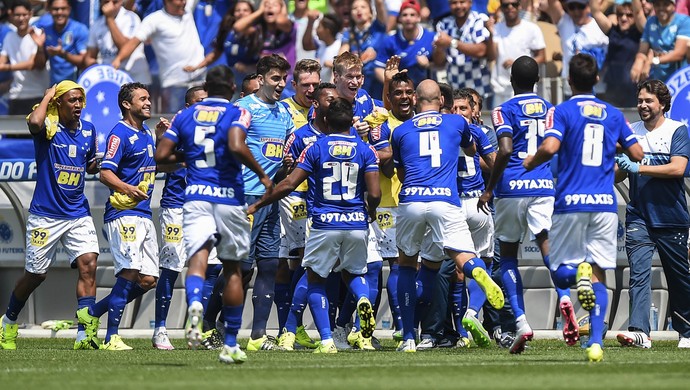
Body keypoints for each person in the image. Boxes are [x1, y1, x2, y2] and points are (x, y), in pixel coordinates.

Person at [523, 53, 644, 362]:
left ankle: (579, 273)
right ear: (597, 79)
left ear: (570, 81)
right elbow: (638, 152)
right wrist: (612, 141)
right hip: (605, 203)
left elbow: (550, 147)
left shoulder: (561, 111)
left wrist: (530, 161)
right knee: (602, 273)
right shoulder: (614, 114)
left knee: (563, 274)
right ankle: (595, 344)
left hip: (570, 203)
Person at [155, 65, 273, 364]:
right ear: (232, 89)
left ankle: (194, 302)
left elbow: (161, 157)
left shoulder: (185, 115)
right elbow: (235, 144)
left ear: (207, 88)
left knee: (198, 260)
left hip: (196, 197)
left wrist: (189, 156)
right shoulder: (238, 112)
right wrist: (261, 174)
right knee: (234, 269)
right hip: (230, 198)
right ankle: (231, 342)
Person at [248, 97, 381, 354]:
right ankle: (363, 299)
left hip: (324, 222)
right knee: (355, 274)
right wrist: (370, 212)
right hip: (356, 222)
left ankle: (326, 341)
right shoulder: (366, 150)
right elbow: (374, 194)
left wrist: (259, 203)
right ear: (351, 120)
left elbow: (289, 184)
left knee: (315, 280)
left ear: (327, 120)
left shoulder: (316, 148)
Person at [391, 79, 504, 353]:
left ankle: (408, 336)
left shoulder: (401, 130)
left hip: (412, 201)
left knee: (407, 264)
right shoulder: (457, 123)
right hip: (447, 199)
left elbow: (401, 172)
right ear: (441, 101)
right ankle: (479, 275)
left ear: (416, 101)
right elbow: (471, 151)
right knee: (464, 256)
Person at [0, 81, 99, 351]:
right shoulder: (48, 128)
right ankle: (8, 321)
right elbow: (33, 122)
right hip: (46, 215)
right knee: (36, 275)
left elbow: (88, 165)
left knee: (89, 264)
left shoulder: (89, 130)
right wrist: (46, 97)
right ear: (59, 103)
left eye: (81, 100)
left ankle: (85, 333)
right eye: (72, 100)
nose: (78, 105)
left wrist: (95, 164)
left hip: (78, 212)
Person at [478, 56, 561, 354]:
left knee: (509, 256)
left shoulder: (503, 109)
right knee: (547, 245)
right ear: (537, 81)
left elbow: (506, 148)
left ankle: (522, 322)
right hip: (542, 185)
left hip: (512, 186)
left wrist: (489, 189)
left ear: (512, 81)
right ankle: (565, 297)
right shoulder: (551, 109)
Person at [78, 82, 159, 351]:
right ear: (127, 104)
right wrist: (127, 188)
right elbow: (104, 173)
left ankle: (91, 314)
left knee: (148, 280)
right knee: (129, 271)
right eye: (143, 99)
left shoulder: (146, 132)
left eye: (149, 98)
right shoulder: (119, 134)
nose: (148, 103)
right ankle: (112, 337)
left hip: (144, 213)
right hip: (124, 213)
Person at [614, 79, 690, 349]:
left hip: (672, 216)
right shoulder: (631, 132)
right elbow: (620, 172)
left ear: (662, 104)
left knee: (679, 278)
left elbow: (677, 168)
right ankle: (640, 332)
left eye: (648, 101)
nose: (642, 105)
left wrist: (639, 168)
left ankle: (687, 332)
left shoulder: (677, 130)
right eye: (640, 100)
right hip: (639, 216)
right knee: (639, 273)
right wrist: (618, 168)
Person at [235, 54, 294, 351]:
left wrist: (285, 164)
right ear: (260, 79)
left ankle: (258, 335)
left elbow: (281, 159)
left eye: (284, 78)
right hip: (246, 196)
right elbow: (230, 147)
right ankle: (212, 324)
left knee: (269, 264)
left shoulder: (284, 113)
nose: (281, 84)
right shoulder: (244, 108)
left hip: (271, 199)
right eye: (275, 78)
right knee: (241, 268)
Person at [277, 82, 339, 351]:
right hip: (300, 202)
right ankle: (292, 328)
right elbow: (282, 172)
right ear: (316, 104)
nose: (333, 104)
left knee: (317, 268)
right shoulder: (302, 135)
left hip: (331, 210)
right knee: (306, 264)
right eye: (328, 100)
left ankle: (304, 328)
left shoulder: (343, 135)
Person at [150, 86, 209, 350]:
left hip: (205, 207)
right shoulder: (176, 128)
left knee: (215, 266)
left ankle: (197, 325)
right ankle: (160, 329)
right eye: (199, 102)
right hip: (176, 206)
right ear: (187, 106)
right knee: (172, 267)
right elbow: (159, 163)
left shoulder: (216, 128)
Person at [112, 0, 206, 114]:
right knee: (174, 123)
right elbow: (134, 42)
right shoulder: (154, 20)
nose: (184, 2)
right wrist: (118, 59)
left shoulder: (187, 10)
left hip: (200, 78)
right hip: (174, 84)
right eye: (180, 0)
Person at [183, 0, 260, 98]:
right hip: (233, 83)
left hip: (253, 84)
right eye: (238, 10)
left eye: (245, 10)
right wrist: (196, 67)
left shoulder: (258, 31)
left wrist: (249, 68)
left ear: (252, 13)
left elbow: (265, 57)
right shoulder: (228, 31)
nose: (241, 13)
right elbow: (216, 53)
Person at [544, 0, 609, 97]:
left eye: (580, 7)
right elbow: (552, 2)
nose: (576, 11)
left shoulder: (599, 25)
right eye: (572, 7)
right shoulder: (564, 22)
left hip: (597, 90)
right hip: (571, 90)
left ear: (588, 7)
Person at [433, 0, 493, 100]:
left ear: (470, 3)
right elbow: (439, 62)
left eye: (462, 2)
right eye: (454, 3)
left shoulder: (479, 20)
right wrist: (439, 48)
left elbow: (482, 51)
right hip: (454, 89)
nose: (458, 6)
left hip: (479, 87)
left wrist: (452, 42)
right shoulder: (444, 24)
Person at [489, 0, 545, 107]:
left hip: (524, 89)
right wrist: (491, 35)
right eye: (506, 5)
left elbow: (542, 57)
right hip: (500, 88)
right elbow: (492, 56)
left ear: (519, 6)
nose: (510, 7)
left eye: (514, 4)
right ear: (501, 8)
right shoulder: (496, 28)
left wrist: (518, 64)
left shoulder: (532, 29)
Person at [589, 0, 644, 107]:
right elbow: (595, 11)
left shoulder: (640, 34)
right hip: (612, 90)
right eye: (620, 14)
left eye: (629, 15)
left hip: (633, 90)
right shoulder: (612, 31)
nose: (624, 18)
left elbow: (638, 11)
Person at [84, 0, 151, 85]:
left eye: (115, 2)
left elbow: (124, 46)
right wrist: (99, 67)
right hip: (110, 80)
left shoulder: (131, 18)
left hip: (134, 79)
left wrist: (110, 19)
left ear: (121, 2)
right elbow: (89, 57)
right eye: (106, 2)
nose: (111, 6)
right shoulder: (97, 24)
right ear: (101, 3)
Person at [0, 0, 49, 115]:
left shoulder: (37, 34)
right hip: (16, 95)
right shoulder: (9, 37)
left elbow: (31, 64)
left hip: (38, 94)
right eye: (17, 15)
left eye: (24, 14)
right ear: (11, 15)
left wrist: (6, 67)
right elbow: (1, 61)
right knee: (13, 132)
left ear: (30, 14)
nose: (21, 18)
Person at [374, 0, 436, 88]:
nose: (408, 18)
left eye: (412, 15)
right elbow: (378, 68)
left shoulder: (431, 37)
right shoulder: (390, 41)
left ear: (419, 17)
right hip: (401, 91)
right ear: (399, 18)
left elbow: (441, 64)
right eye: (404, 15)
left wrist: (428, 65)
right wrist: (393, 84)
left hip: (426, 88)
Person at [630, 0, 690, 84]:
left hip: (678, 82)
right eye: (657, 4)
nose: (661, 8)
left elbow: (679, 54)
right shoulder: (650, 21)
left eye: (666, 4)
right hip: (657, 81)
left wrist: (653, 61)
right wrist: (638, 62)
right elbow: (643, 50)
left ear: (674, 5)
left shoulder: (684, 21)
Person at [338, 0, 388, 99]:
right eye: (354, 8)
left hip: (378, 80)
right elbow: (341, 57)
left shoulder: (378, 27)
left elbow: (379, 4)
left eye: (363, 7)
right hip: (359, 81)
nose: (359, 10)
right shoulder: (349, 33)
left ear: (371, 12)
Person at [37, 0, 89, 85]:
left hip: (76, 87)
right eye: (55, 9)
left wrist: (62, 54)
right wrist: (39, 48)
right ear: (49, 10)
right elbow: (40, 66)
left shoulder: (80, 29)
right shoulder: (46, 31)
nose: (59, 12)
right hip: (55, 87)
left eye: (63, 8)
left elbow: (84, 62)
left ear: (69, 9)